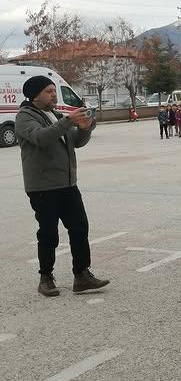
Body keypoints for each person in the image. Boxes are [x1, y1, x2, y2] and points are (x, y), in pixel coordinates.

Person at [15, 76, 110, 298]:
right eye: (48, 91)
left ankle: (82, 275)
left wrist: (85, 128)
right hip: (43, 187)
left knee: (79, 228)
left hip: (68, 184)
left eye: (54, 91)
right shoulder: (25, 117)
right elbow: (41, 138)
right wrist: (68, 121)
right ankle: (46, 277)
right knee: (49, 234)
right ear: (35, 94)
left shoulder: (55, 115)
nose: (53, 95)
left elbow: (75, 141)